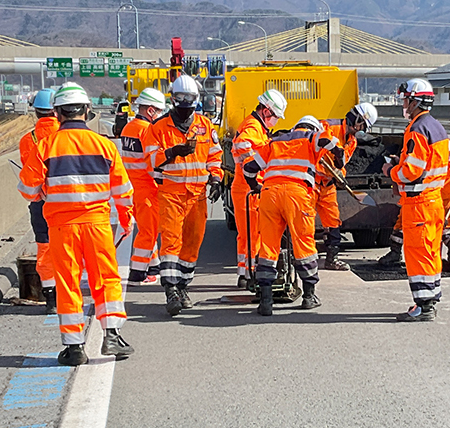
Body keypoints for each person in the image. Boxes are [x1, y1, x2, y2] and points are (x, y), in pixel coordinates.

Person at [18, 82, 135, 366]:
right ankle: (112, 336)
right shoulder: (104, 145)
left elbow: (28, 189)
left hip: (61, 227)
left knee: (68, 283)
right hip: (97, 224)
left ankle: (73, 348)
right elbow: (123, 190)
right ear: (87, 111)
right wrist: (125, 219)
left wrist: (46, 191)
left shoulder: (45, 145)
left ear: (57, 113)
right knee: (106, 279)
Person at [243, 115, 344, 316]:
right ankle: (309, 296)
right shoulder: (310, 137)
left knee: (268, 246)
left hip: (269, 195)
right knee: (304, 244)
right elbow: (325, 139)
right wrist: (339, 153)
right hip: (297, 196)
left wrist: (256, 186)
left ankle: (265, 301)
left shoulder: (274, 142)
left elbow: (248, 168)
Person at [143, 75, 223, 317]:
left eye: (190, 99)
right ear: (173, 98)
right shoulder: (157, 128)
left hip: (197, 196)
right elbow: (150, 161)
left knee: (192, 243)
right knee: (170, 243)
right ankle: (170, 290)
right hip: (172, 194)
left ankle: (183, 286)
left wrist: (217, 177)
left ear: (196, 100)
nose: (185, 103)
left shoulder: (205, 125)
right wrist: (172, 152)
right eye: (181, 98)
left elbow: (214, 155)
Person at [382, 79, 449, 322]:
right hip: (433, 201)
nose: (404, 104)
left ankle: (423, 306)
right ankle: (431, 298)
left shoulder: (417, 129)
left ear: (416, 101)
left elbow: (412, 170)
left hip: (418, 204)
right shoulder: (437, 127)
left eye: (406, 100)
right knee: (431, 252)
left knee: (417, 254)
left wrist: (390, 170)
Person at [231, 89, 286, 289]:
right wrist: (253, 170)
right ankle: (251, 273)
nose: (276, 121)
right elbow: (243, 147)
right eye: (275, 117)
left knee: (251, 234)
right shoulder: (253, 127)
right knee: (251, 234)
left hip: (249, 187)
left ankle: (246, 272)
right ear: (265, 111)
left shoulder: (258, 128)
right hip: (248, 187)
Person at [315, 103, 378, 271]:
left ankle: (332, 258)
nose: (362, 130)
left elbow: (343, 162)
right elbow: (314, 152)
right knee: (302, 221)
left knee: (333, 221)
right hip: (311, 182)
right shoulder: (327, 126)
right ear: (358, 120)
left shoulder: (352, 141)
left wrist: (339, 172)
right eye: (363, 126)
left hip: (327, 185)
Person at [18, 88, 60, 314]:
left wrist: (37, 198)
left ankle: (50, 297)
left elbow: (29, 178)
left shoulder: (27, 140)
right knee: (70, 248)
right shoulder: (65, 135)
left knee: (45, 250)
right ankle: (69, 295)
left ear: (36, 112)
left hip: (41, 204)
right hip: (66, 203)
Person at [120, 88, 167, 284]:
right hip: (147, 186)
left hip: (133, 184)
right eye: (159, 111)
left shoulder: (128, 128)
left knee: (148, 227)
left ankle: (153, 266)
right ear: (150, 110)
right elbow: (152, 162)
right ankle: (137, 271)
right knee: (149, 230)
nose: (160, 116)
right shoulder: (147, 130)